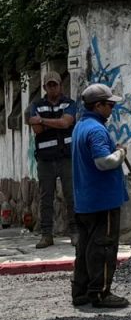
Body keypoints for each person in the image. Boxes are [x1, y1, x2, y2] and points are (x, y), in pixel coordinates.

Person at [71, 83, 130, 310]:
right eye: (110, 105)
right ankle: (100, 292)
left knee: (85, 247)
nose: (112, 109)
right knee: (104, 247)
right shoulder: (96, 130)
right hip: (102, 200)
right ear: (98, 105)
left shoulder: (80, 126)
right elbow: (104, 162)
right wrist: (121, 153)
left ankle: (81, 292)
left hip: (85, 200)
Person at [26, 72, 78, 249]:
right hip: (45, 159)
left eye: (55, 84)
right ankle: (46, 235)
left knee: (71, 196)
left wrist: (42, 120)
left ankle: (75, 232)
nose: (53, 88)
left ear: (60, 85)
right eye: (49, 85)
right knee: (46, 198)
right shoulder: (36, 105)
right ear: (44, 87)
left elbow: (66, 123)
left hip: (66, 157)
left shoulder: (69, 103)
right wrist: (54, 122)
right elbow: (37, 130)